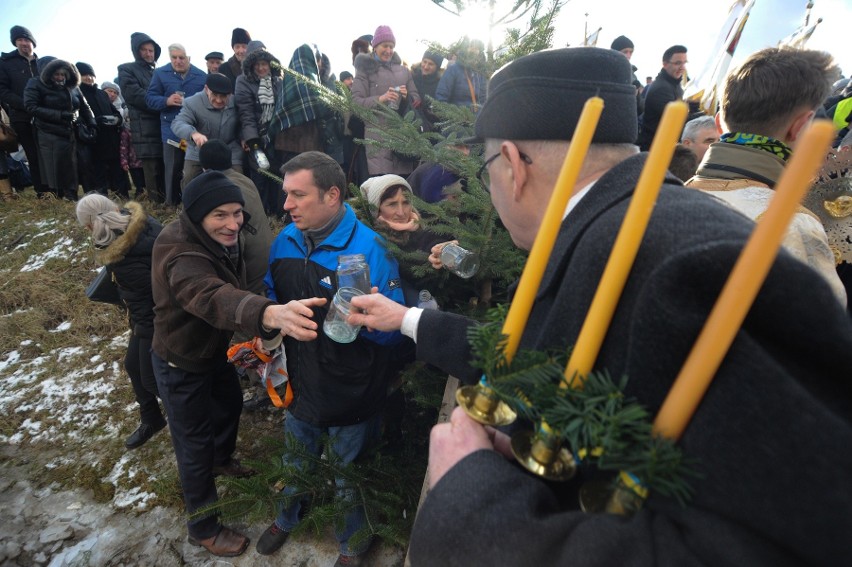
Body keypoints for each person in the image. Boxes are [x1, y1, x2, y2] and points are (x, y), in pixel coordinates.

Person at [346, 47, 852, 566]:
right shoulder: (612, 224)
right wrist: (409, 320)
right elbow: (552, 355)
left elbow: (790, 543)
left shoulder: (687, 262)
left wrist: (473, 496)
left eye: (486, 171)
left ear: (514, 165)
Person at [151, 170, 324, 558]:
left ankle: (221, 458)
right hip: (180, 362)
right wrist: (266, 314)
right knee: (192, 446)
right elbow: (212, 296)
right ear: (197, 216)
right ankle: (203, 526)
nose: (233, 224)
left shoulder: (214, 237)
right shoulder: (183, 254)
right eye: (220, 216)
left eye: (237, 213)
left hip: (211, 353)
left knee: (229, 403)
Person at [255, 152, 405, 566]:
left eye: (298, 195)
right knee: (295, 458)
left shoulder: (370, 249)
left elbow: (395, 330)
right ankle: (287, 515)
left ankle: (352, 544)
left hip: (352, 390)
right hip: (300, 382)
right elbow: (270, 293)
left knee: (348, 475)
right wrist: (270, 320)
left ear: (333, 195)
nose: (286, 204)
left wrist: (365, 320)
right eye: (286, 194)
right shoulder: (285, 239)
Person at [686, 47, 846, 307]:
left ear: (718, 124)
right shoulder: (794, 226)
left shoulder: (658, 198)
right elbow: (823, 337)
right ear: (800, 126)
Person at [76, 194, 166, 448]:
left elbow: (148, 303)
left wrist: (145, 334)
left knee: (153, 379)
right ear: (115, 208)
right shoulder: (142, 222)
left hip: (160, 317)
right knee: (133, 364)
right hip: (150, 313)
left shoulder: (122, 254)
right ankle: (152, 419)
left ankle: (198, 417)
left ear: (88, 227)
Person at [351, 25, 421, 177]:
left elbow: (416, 100)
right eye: (385, 46)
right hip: (378, 141)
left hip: (403, 141)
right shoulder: (364, 70)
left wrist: (407, 97)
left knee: (404, 191)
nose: (388, 51)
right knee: (383, 191)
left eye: (391, 46)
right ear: (375, 46)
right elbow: (356, 103)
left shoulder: (404, 71)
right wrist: (381, 98)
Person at [23, 58, 96, 201]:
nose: (60, 77)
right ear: (48, 74)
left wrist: (92, 124)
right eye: (56, 74)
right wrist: (61, 115)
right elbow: (31, 106)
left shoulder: (73, 86)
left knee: (83, 162)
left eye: (63, 74)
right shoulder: (35, 83)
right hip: (50, 130)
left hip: (75, 130)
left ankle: (89, 193)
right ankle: (67, 195)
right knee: (60, 165)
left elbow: (85, 107)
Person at [145, 43, 206, 205]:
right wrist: (166, 100)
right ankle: (170, 203)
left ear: (189, 58)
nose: (178, 61)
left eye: (182, 57)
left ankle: (192, 201)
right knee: (172, 167)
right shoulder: (160, 74)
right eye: (174, 58)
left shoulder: (201, 76)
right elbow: (150, 98)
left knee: (192, 169)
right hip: (170, 131)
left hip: (194, 131)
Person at [235, 40, 283, 215]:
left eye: (265, 64)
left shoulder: (278, 81)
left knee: (277, 176)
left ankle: (278, 213)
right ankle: (260, 215)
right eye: (258, 65)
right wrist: (254, 143)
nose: (262, 68)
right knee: (260, 177)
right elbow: (245, 114)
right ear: (251, 65)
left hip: (277, 137)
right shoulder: (243, 82)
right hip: (256, 136)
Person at [0, 25, 48, 196]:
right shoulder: (5, 63)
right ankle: (42, 191)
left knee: (47, 151)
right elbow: (3, 90)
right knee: (32, 153)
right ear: (15, 43)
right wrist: (24, 104)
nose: (23, 43)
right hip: (21, 116)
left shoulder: (43, 63)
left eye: (26, 39)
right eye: (19, 40)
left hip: (45, 115)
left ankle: (55, 187)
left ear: (33, 42)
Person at [171, 72, 241, 187]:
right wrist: (193, 133)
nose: (218, 100)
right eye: (215, 95)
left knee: (238, 180)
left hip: (229, 150)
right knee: (189, 179)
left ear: (230, 94)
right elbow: (178, 123)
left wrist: (244, 138)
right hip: (199, 151)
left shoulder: (237, 102)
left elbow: (244, 123)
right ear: (206, 89)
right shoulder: (192, 103)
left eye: (223, 96)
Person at [117, 32, 163, 203]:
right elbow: (134, 95)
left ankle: (167, 201)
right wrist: (163, 102)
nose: (148, 53)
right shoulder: (126, 69)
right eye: (144, 50)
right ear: (136, 51)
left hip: (161, 125)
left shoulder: (157, 72)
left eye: (151, 50)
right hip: (144, 127)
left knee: (164, 165)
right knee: (151, 168)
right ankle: (156, 203)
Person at [77, 63, 125, 197]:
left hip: (111, 137)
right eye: (85, 75)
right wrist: (94, 122)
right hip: (94, 139)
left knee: (117, 169)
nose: (89, 78)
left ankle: (122, 194)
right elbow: (79, 116)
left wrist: (116, 119)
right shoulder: (77, 93)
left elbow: (115, 111)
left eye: (91, 75)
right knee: (98, 171)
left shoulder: (101, 94)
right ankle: (101, 197)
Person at [637, 44, 688, 151]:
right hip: (654, 150)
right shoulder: (661, 88)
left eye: (684, 63)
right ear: (665, 64)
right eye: (678, 63)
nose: (682, 67)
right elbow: (676, 120)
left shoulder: (675, 84)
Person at [435, 37, 487, 112]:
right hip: (457, 120)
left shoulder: (481, 74)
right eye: (471, 46)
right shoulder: (453, 70)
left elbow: (484, 99)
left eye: (477, 48)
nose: (474, 50)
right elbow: (441, 97)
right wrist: (452, 117)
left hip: (478, 120)